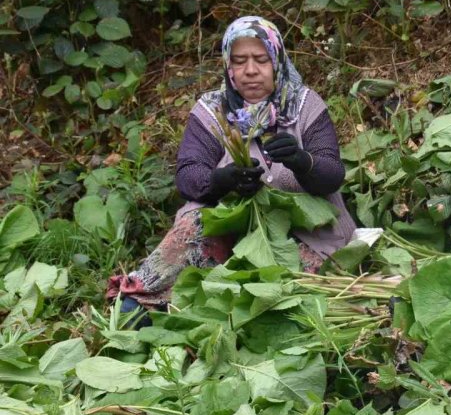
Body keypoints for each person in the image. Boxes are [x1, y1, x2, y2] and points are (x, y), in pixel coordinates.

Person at [108, 16, 356, 313]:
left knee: (284, 291)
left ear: (277, 60)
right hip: (230, 236)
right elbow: (189, 174)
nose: (250, 71)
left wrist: (303, 162)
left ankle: (229, 313)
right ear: (229, 66)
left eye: (261, 60)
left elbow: (332, 174)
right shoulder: (212, 110)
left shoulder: (303, 106)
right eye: (239, 62)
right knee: (195, 227)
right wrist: (223, 180)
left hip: (304, 237)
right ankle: (142, 300)